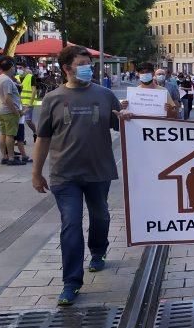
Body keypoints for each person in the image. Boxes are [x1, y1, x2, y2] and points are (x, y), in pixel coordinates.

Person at [31, 45, 130, 305]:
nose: (88, 68)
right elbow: (42, 139)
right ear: (66, 68)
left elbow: (120, 124)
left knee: (100, 216)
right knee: (71, 224)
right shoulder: (52, 99)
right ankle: (71, 282)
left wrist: (126, 117)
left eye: (90, 63)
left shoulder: (105, 95)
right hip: (65, 175)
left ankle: (98, 251)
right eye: (82, 64)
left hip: (99, 171)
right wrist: (36, 173)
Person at [0, 57, 26, 165]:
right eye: (14, 67)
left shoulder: (0, 78)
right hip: (9, 111)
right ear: (10, 67)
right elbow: (8, 98)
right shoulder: (7, 80)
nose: (15, 69)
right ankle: (11, 158)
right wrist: (16, 112)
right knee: (10, 135)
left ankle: (5, 156)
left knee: (3, 134)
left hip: (1, 110)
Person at [20, 66, 38, 141]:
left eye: (21, 68)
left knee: (28, 120)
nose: (19, 69)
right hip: (20, 102)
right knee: (20, 122)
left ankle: (35, 133)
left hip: (28, 102)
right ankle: (21, 139)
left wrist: (30, 102)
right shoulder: (17, 77)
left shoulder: (31, 77)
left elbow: (34, 91)